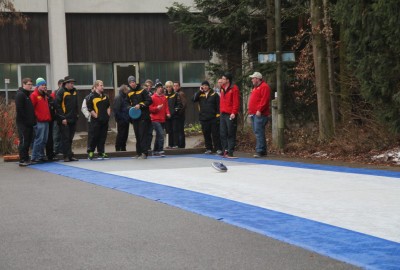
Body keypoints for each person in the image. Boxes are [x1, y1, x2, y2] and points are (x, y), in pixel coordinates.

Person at [192, 81, 222, 155]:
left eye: (206, 85)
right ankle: (209, 148)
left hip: (213, 118)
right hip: (204, 118)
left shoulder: (214, 94)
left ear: (208, 86)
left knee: (215, 134)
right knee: (206, 134)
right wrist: (199, 91)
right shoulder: (200, 94)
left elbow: (218, 106)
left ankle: (218, 148)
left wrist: (218, 116)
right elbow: (193, 99)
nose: (205, 87)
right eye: (203, 86)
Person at [127, 75, 152, 159]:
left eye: (133, 82)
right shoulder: (129, 93)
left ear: (135, 82)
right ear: (129, 84)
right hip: (134, 117)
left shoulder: (142, 90)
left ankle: (144, 153)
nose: (132, 84)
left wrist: (140, 105)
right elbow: (126, 104)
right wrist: (130, 108)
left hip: (143, 116)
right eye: (130, 82)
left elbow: (149, 100)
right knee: (137, 135)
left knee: (142, 134)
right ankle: (138, 153)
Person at [55, 76, 79, 162]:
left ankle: (70, 155)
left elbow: (76, 104)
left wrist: (77, 114)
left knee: (70, 138)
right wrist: (62, 118)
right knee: (65, 138)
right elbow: (57, 106)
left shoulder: (74, 91)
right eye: (71, 83)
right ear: (66, 83)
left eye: (73, 83)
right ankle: (66, 156)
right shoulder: (61, 92)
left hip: (73, 118)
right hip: (64, 119)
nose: (72, 85)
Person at [86, 80, 111, 160]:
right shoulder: (91, 96)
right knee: (94, 136)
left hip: (104, 121)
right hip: (96, 121)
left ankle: (101, 152)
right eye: (101, 85)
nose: (102, 86)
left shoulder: (105, 96)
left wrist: (108, 115)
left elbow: (108, 107)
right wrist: (96, 116)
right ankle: (91, 152)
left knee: (102, 137)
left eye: (103, 85)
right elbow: (90, 109)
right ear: (96, 86)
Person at [248, 72, 271, 158]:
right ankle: (263, 150)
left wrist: (259, 110)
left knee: (258, 132)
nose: (252, 80)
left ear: (257, 79)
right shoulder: (255, 87)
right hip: (254, 113)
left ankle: (260, 150)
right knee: (258, 131)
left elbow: (264, 100)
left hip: (260, 114)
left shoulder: (264, 87)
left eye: (253, 78)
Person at [15, 78, 36, 166]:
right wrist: (26, 120)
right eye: (28, 84)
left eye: (31, 84)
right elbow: (20, 109)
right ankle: (22, 159)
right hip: (23, 123)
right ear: (23, 84)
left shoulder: (27, 95)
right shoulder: (20, 95)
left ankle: (26, 158)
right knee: (23, 141)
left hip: (29, 123)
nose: (30, 86)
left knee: (28, 141)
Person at [30, 77, 52, 162]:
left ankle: (41, 155)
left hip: (46, 120)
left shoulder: (44, 95)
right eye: (42, 85)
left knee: (44, 140)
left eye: (45, 85)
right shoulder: (34, 95)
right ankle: (34, 156)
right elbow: (31, 108)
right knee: (39, 139)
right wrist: (35, 118)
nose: (44, 86)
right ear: (38, 86)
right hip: (39, 120)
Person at [219, 72, 240, 158]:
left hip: (230, 114)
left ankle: (230, 152)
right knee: (223, 133)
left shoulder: (234, 88)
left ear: (228, 80)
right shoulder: (222, 88)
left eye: (223, 79)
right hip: (223, 113)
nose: (222, 80)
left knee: (230, 133)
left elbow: (236, 102)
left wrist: (233, 112)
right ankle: (225, 150)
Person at [149, 81, 170, 156]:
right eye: (159, 88)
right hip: (155, 119)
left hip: (162, 119)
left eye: (161, 87)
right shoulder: (152, 98)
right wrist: (157, 108)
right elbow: (150, 109)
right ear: (156, 89)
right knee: (161, 134)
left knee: (158, 135)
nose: (160, 89)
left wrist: (168, 113)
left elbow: (166, 107)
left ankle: (155, 150)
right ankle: (161, 150)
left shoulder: (164, 97)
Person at [113, 84, 130, 151]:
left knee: (125, 134)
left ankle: (123, 147)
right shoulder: (119, 97)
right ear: (124, 90)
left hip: (126, 119)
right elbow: (116, 110)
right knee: (121, 134)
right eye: (126, 90)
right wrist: (121, 118)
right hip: (121, 120)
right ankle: (118, 148)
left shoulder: (125, 97)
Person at [165, 81, 181, 148]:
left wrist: (173, 112)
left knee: (175, 130)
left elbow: (179, 105)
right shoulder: (164, 95)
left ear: (172, 87)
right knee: (168, 130)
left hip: (174, 116)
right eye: (167, 87)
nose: (168, 88)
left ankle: (175, 144)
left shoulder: (176, 94)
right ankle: (169, 144)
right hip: (167, 116)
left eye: (170, 87)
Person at [81, 85, 95, 154]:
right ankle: (90, 150)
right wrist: (88, 115)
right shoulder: (87, 98)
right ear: (92, 89)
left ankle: (100, 151)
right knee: (91, 135)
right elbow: (83, 108)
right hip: (91, 119)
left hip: (99, 120)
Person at [173, 81, 186, 148]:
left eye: (176, 85)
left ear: (179, 86)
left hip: (180, 116)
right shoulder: (174, 93)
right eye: (174, 86)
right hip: (175, 116)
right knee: (176, 130)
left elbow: (184, 105)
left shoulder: (181, 93)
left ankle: (181, 145)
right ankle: (177, 144)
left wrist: (179, 113)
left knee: (180, 130)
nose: (175, 87)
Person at [52, 79, 64, 156]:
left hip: (63, 117)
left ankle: (62, 149)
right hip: (56, 117)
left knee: (63, 134)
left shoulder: (65, 93)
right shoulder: (54, 93)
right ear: (59, 84)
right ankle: (55, 150)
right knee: (56, 134)